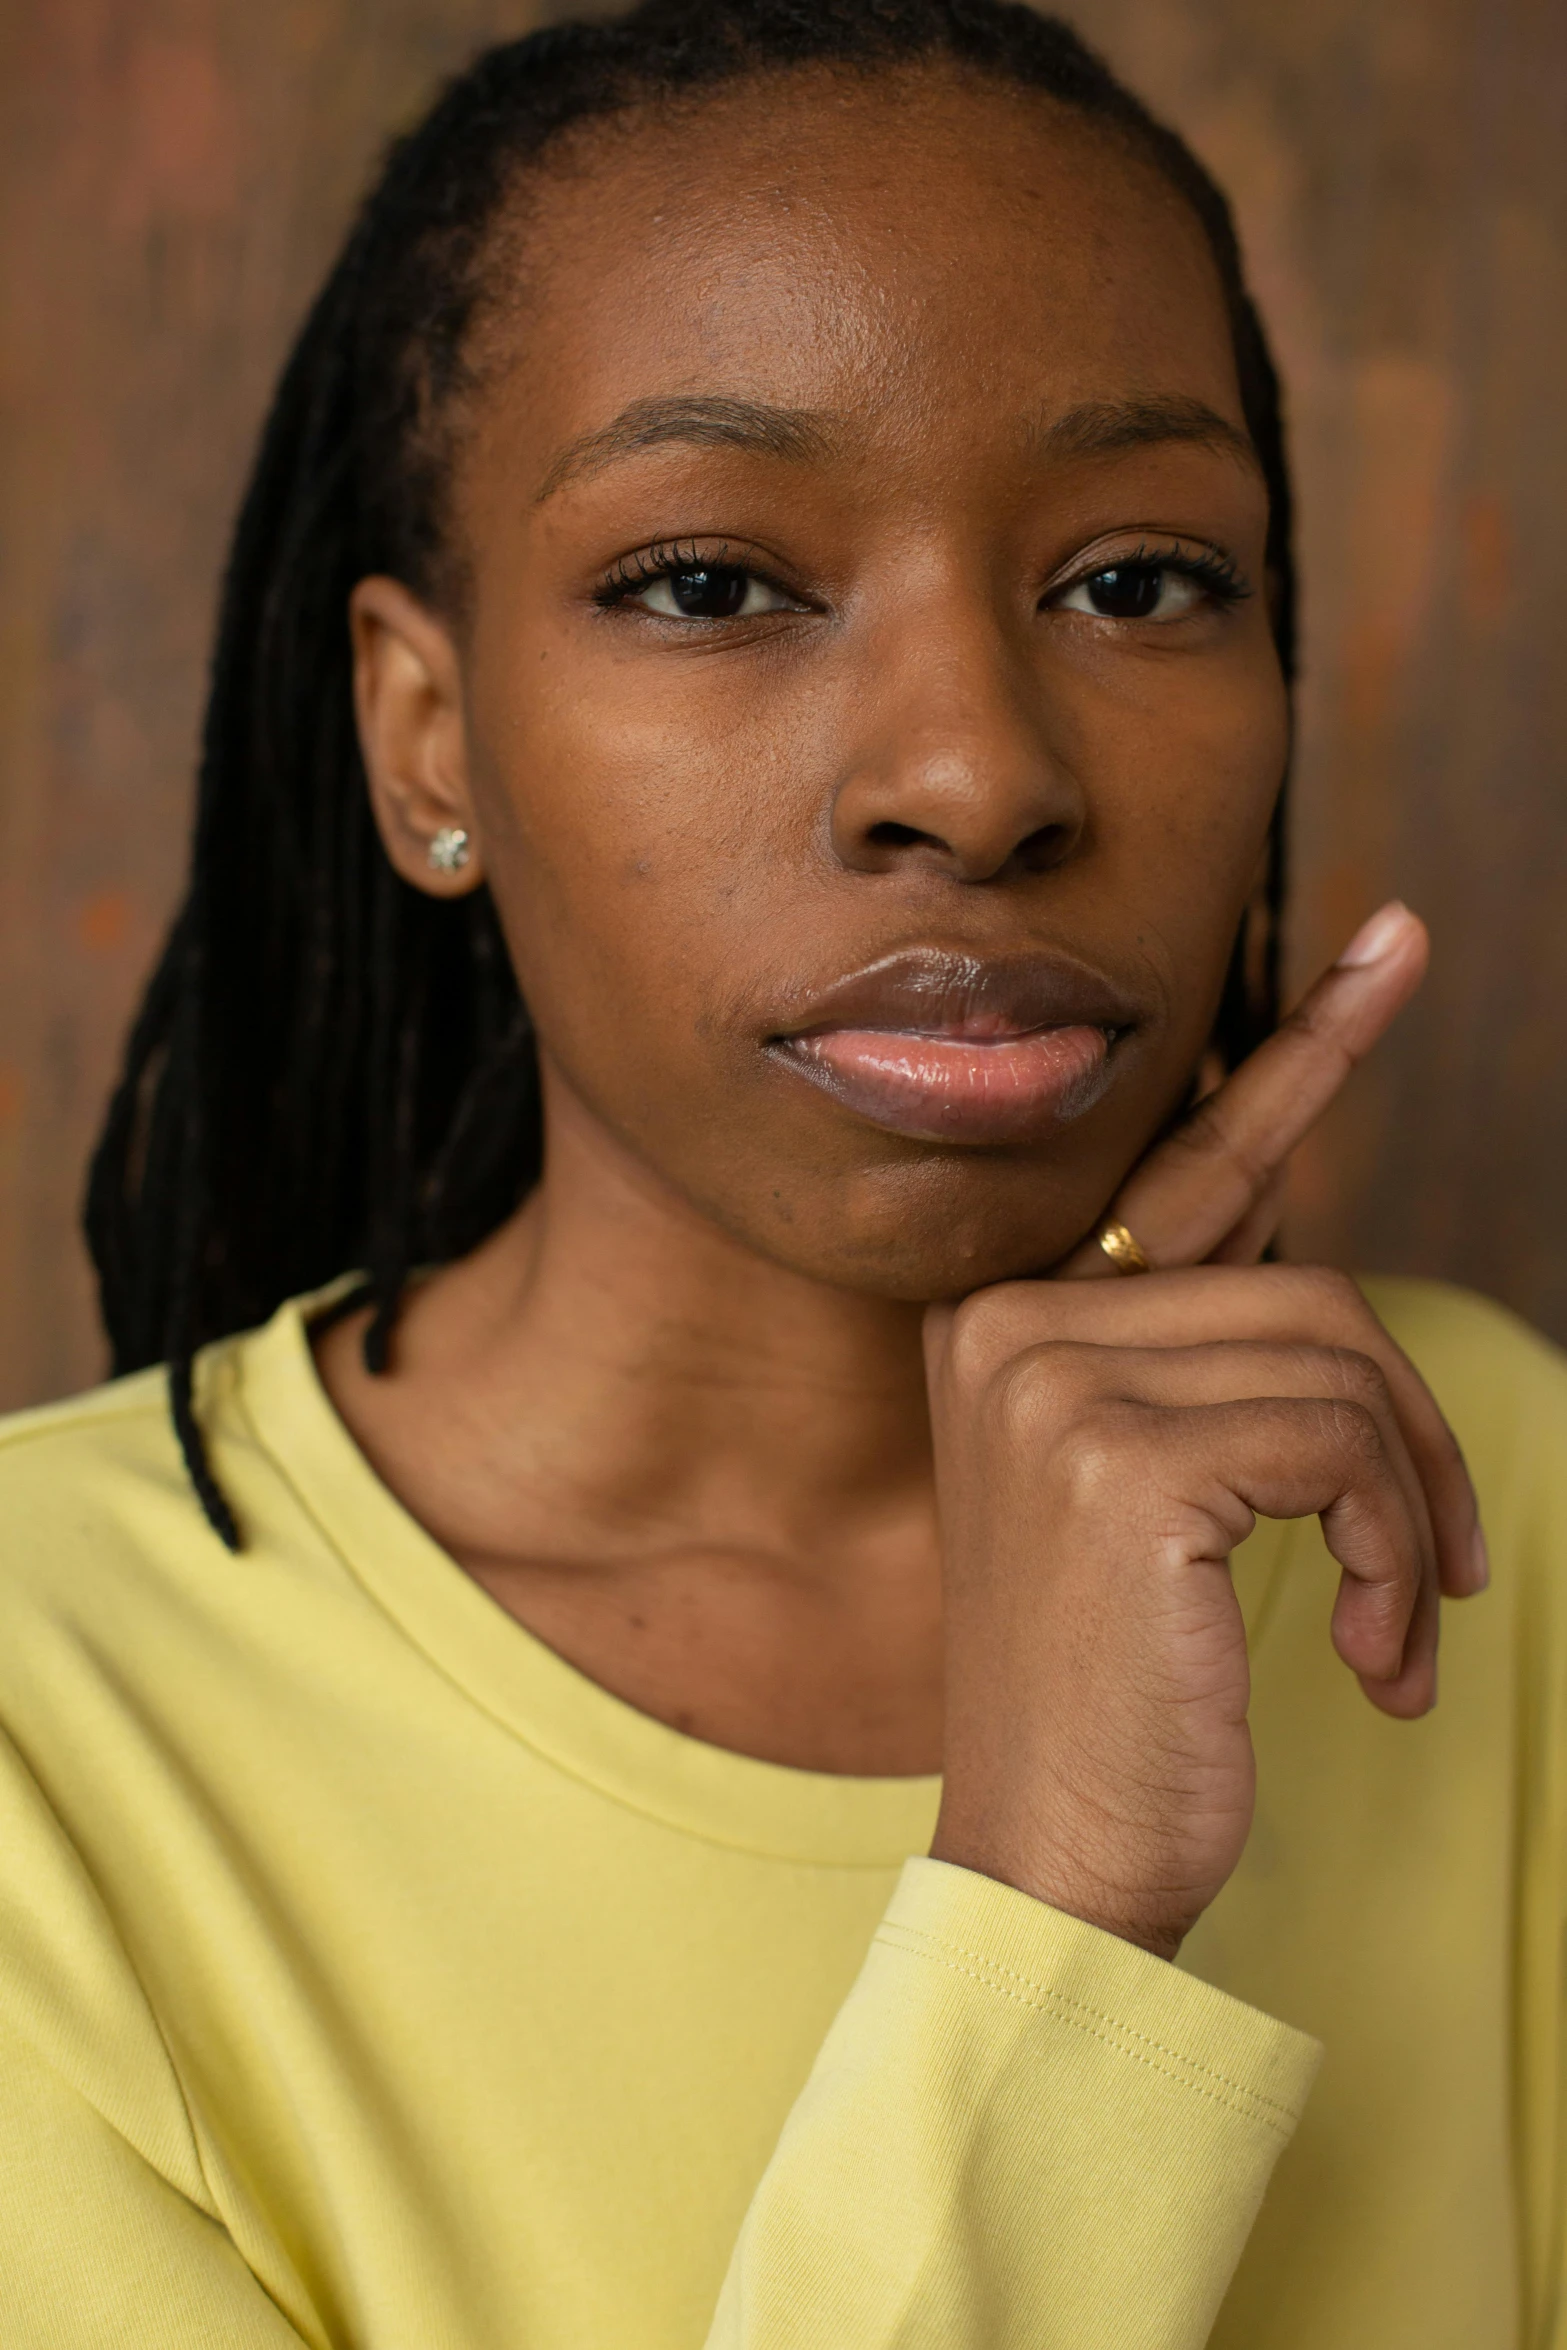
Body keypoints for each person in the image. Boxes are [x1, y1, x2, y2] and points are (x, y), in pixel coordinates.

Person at [2, 1, 1561, 2341]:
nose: (974, 770)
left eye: (1138, 579)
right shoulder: (44, 1729)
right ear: (427, 738)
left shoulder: (1496, 1499)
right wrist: (1048, 1926)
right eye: (715, 583)